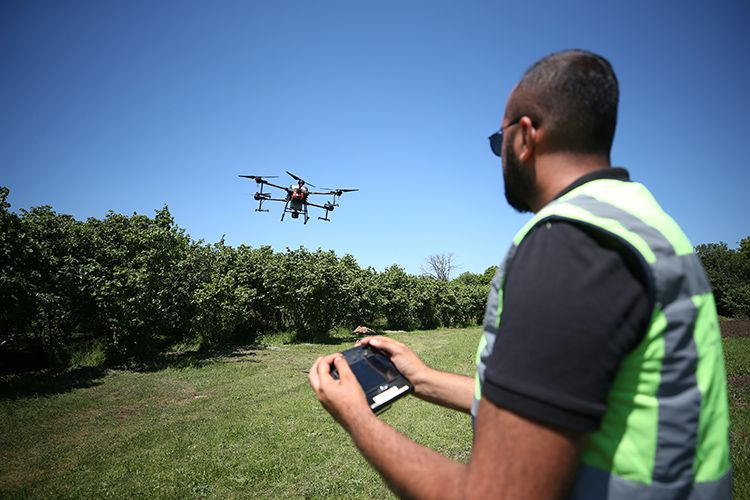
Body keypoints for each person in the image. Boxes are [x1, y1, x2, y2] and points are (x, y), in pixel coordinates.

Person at [309, 49, 731, 499]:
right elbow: (557, 398)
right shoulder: (641, 221)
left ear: (525, 136)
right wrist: (421, 377)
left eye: (498, 141)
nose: (500, 156)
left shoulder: (569, 247)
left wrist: (357, 417)